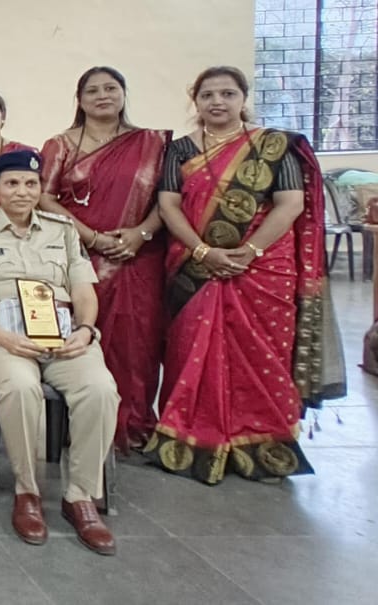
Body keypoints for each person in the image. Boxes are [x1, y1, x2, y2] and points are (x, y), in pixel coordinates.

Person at [146, 66, 343, 485]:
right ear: (196, 101)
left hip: (262, 269)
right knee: (190, 348)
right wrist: (203, 251)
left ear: (243, 98)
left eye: (227, 93)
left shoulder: (275, 147)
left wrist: (248, 252)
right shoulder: (179, 150)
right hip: (195, 267)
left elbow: (290, 204)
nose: (217, 102)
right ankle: (192, 437)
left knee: (263, 355)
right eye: (207, 95)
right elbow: (168, 205)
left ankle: (263, 442)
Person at [0, 149, 119, 556]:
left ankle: (80, 496)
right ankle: (27, 492)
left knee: (100, 388)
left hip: (60, 333)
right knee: (20, 385)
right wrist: (0, 336)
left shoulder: (62, 231)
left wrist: (85, 329)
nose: (22, 191)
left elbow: (83, 292)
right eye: (11, 183)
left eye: (31, 183)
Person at [36, 67, 171, 452]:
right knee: (81, 336)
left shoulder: (152, 143)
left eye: (111, 88)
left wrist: (141, 233)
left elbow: (168, 199)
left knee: (137, 345)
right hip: (78, 255)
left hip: (139, 258)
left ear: (124, 94)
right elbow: (44, 198)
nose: (102, 96)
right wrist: (91, 236)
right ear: (79, 100)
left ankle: (132, 426)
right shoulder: (60, 145)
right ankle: (80, 428)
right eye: (92, 91)